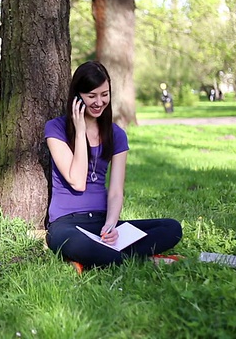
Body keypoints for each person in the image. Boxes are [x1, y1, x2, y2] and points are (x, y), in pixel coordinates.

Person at [44, 61, 182, 269]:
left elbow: (116, 191)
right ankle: (139, 258)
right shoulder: (55, 129)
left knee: (171, 228)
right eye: (92, 96)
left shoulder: (116, 134)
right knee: (79, 245)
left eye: (104, 94)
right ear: (77, 97)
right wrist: (80, 132)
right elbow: (78, 182)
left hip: (101, 222)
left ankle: (101, 258)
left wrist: (110, 224)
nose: (99, 102)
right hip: (66, 224)